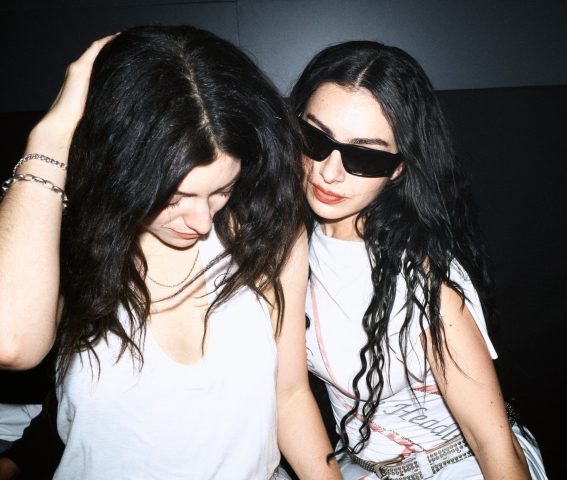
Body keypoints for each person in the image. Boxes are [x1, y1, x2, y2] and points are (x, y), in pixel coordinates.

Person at [0, 25, 340, 479]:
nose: (201, 222)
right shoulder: (67, 235)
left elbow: (291, 395)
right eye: (174, 197)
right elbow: (11, 343)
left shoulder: (266, 232)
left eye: (221, 190)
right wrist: (52, 133)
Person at [291, 41, 549, 479]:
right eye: (314, 138)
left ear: (398, 167)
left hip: (457, 463)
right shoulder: (285, 247)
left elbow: (490, 442)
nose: (329, 172)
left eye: (364, 155)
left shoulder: (422, 274)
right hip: (362, 467)